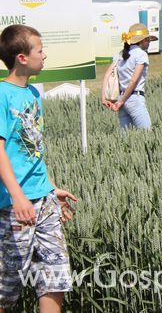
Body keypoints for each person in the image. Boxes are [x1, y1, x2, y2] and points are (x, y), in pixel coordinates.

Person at [0, 25, 77, 313]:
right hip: (14, 205)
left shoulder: (33, 93)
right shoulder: (2, 95)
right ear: (22, 57)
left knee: (55, 280)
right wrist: (18, 196)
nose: (45, 55)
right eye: (40, 50)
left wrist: (50, 187)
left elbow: (32, 150)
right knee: (7, 288)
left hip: (44, 202)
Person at [101, 23, 157, 130]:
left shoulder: (120, 54)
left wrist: (104, 98)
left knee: (126, 139)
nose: (149, 42)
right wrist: (121, 101)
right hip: (134, 98)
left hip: (121, 99)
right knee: (147, 134)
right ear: (142, 40)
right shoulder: (141, 54)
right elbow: (134, 81)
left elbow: (107, 74)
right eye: (148, 40)